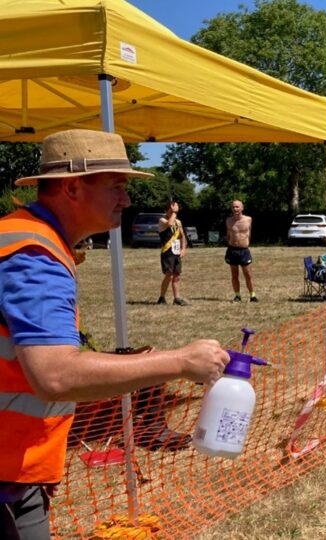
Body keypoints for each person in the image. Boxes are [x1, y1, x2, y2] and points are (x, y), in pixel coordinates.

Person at [0, 129, 231, 540]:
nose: (126, 199)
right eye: (117, 186)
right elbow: (54, 375)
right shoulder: (35, 256)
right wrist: (179, 362)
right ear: (72, 187)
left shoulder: (24, 237)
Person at [156, 199, 187, 306]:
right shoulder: (162, 220)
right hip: (167, 251)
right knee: (169, 275)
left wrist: (183, 249)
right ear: (167, 209)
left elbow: (182, 236)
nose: (174, 210)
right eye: (172, 208)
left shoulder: (178, 222)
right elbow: (169, 224)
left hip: (176, 251)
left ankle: (177, 298)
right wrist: (174, 213)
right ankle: (162, 297)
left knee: (176, 275)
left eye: (175, 208)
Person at [225, 200, 256, 303]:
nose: (235, 209)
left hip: (244, 251)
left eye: (237, 207)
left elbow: (249, 234)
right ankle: (237, 295)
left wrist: (245, 244)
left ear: (242, 208)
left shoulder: (248, 219)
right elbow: (228, 234)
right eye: (233, 207)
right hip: (232, 250)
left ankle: (252, 296)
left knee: (248, 274)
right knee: (234, 274)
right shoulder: (228, 220)